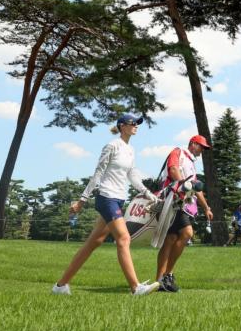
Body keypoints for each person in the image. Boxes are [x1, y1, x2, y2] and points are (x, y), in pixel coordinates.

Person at [52, 113, 160, 296]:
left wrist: (150, 195)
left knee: (94, 242)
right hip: (106, 197)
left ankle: (60, 286)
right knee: (124, 239)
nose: (136, 126)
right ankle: (136, 288)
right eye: (133, 123)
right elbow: (98, 173)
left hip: (118, 199)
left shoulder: (130, 149)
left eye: (137, 123)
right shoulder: (112, 146)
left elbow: (133, 176)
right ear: (122, 126)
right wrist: (82, 200)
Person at [155, 134, 213, 293]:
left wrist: (206, 207)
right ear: (193, 144)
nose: (202, 151)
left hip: (181, 202)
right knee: (187, 232)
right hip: (172, 199)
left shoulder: (191, 165)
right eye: (201, 147)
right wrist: (183, 185)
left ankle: (160, 281)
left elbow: (195, 188)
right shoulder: (178, 151)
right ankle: (167, 276)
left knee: (171, 238)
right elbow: (173, 169)